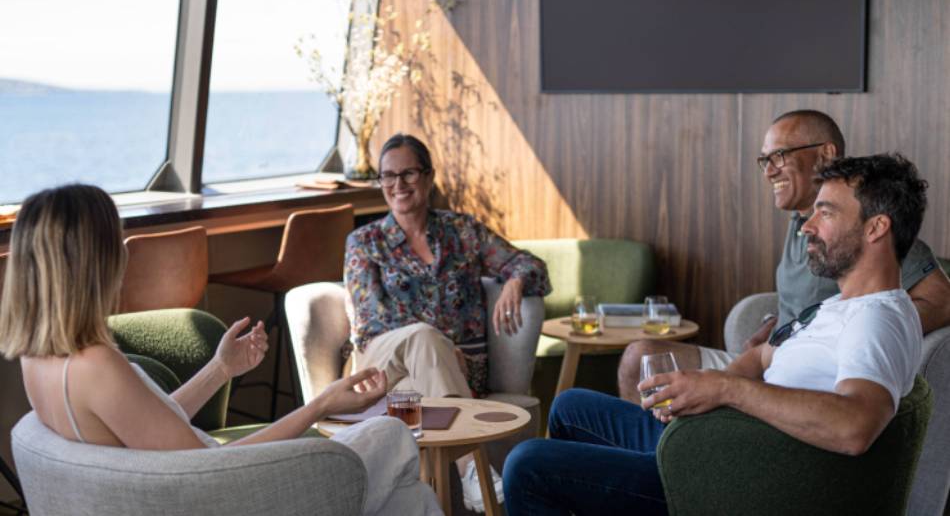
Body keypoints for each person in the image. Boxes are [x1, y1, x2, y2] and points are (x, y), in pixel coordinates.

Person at [504, 153, 927, 514]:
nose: (807, 226)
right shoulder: (841, 305)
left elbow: (856, 426)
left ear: (876, 228)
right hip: (720, 449)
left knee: (528, 463)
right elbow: (764, 357)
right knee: (570, 407)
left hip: (735, 486)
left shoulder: (877, 319)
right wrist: (705, 388)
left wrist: (728, 391)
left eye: (827, 212)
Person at [0, 184, 441, 516]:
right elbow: (214, 468)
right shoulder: (96, 363)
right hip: (224, 497)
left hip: (195, 485)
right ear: (94, 259)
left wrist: (219, 369)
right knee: (392, 434)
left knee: (409, 500)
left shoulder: (42, 358)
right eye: (114, 241)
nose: (122, 253)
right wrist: (321, 405)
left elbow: (144, 425)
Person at [617, 110, 950, 401]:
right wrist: (782, 325)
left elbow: (941, 302)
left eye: (779, 156)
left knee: (640, 357)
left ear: (826, 154)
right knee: (638, 364)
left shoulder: (865, 234)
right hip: (775, 359)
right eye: (765, 160)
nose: (768, 171)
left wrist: (843, 336)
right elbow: (814, 302)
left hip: (805, 376)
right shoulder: (802, 225)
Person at [342, 133, 551, 511]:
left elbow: (531, 264)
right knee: (423, 339)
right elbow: (373, 319)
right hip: (380, 365)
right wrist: (436, 342)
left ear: (428, 176)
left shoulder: (462, 232)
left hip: (453, 371)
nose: (397, 185)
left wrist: (515, 280)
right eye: (388, 176)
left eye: (407, 174)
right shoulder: (365, 242)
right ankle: (474, 470)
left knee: (414, 393)